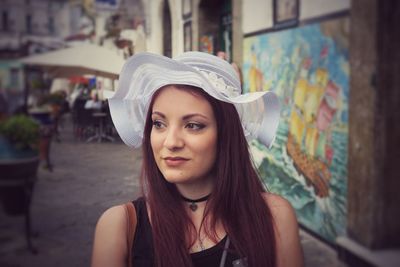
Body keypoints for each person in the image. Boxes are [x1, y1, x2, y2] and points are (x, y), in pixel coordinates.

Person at [91, 52, 303, 267]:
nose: (171, 142)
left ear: (225, 135)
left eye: (193, 125)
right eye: (159, 123)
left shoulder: (273, 217)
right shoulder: (118, 226)